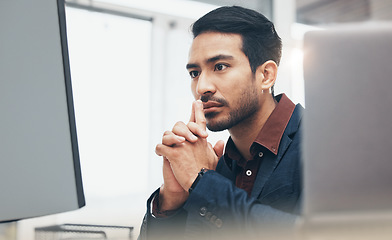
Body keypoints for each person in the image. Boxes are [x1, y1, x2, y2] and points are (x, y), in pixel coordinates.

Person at [138, 5, 303, 240]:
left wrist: (201, 182)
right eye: (195, 73)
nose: (202, 87)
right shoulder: (216, 166)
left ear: (266, 75)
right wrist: (171, 202)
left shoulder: (325, 142)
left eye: (220, 67)